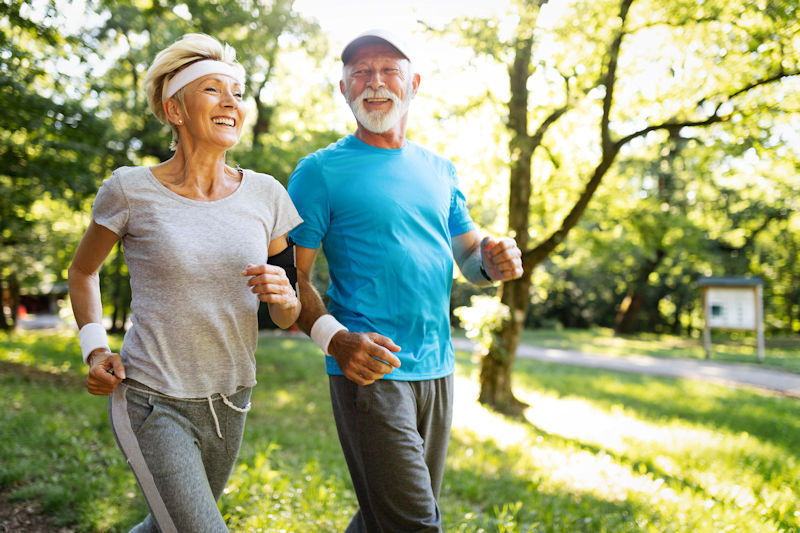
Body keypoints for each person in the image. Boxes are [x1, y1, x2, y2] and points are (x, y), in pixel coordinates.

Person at [287, 29, 524, 533]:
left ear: (413, 84)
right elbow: (292, 276)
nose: (375, 82)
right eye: (361, 72)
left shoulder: (440, 170)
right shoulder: (319, 172)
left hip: (438, 368)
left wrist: (494, 261)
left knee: (383, 518)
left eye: (389, 70)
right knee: (415, 523)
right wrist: (337, 341)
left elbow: (470, 257)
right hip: (370, 369)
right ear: (344, 89)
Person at [68, 33, 302, 533]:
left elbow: (288, 313)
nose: (230, 102)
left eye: (236, 93)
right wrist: (95, 349)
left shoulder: (267, 194)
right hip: (151, 398)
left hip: (231, 399)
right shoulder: (130, 190)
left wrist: (285, 296)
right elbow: (82, 271)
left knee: (166, 526)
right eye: (212, 90)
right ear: (175, 110)